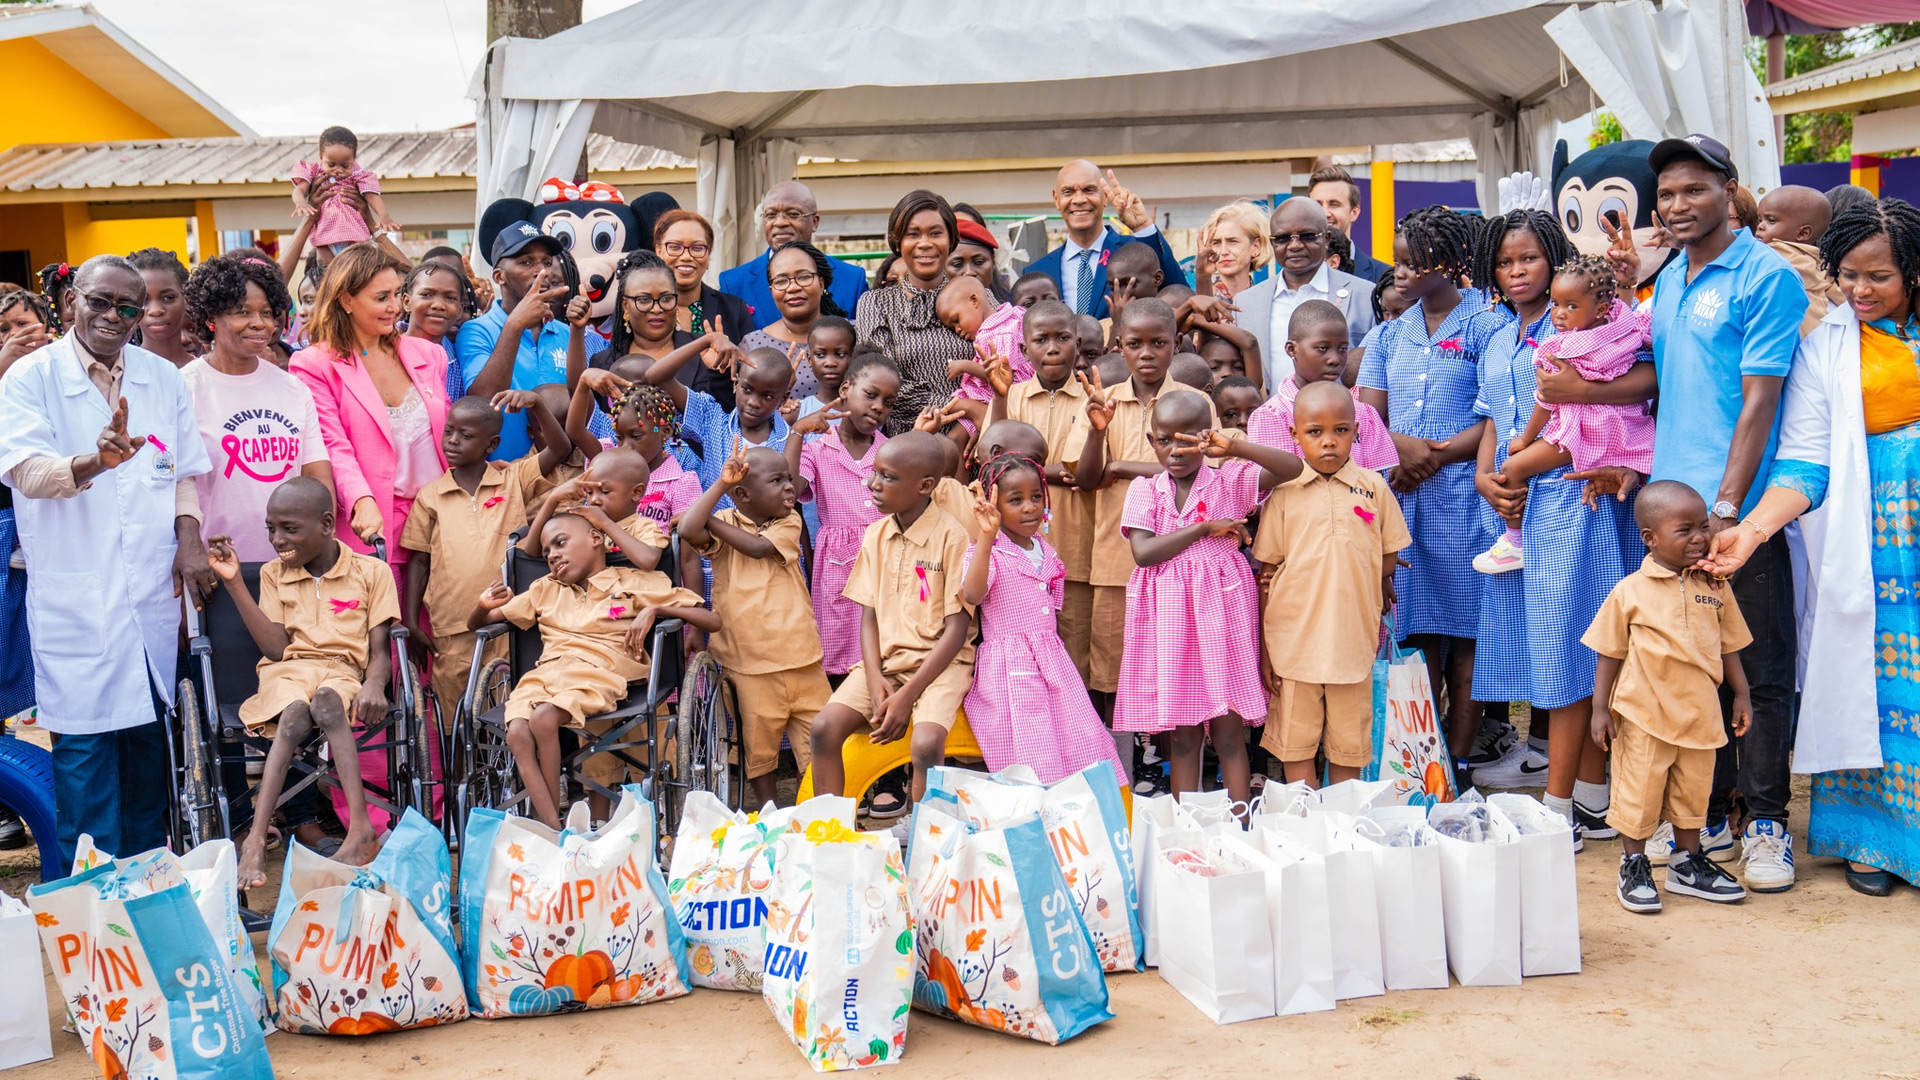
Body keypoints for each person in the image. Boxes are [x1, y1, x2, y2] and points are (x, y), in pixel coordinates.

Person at [1703, 197, 1920, 897]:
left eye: (1878, 277)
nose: (1859, 291)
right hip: (1874, 540)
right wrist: (1752, 529)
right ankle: (1873, 841)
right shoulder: (1826, 347)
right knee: (1881, 684)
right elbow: (1802, 465)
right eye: (1847, 275)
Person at [1608, 134, 1807, 892]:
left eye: (1694, 189)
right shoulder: (1674, 279)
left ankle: (1766, 825)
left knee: (1757, 667)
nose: (1677, 205)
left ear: (1729, 189)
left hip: (1738, 513)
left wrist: (1729, 508)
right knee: (1687, 672)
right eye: (1667, 195)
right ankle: (1710, 818)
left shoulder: (1764, 276)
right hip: (1671, 511)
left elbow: (1759, 400)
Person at [0, 254, 213, 866]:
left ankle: (149, 900)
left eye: (129, 306)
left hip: (148, 599)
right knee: (86, 773)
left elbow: (183, 477)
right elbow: (27, 473)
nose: (114, 316)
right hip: (77, 601)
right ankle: (92, 917)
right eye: (100, 302)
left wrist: (190, 540)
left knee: (149, 772)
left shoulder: (161, 378)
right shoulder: (30, 378)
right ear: (71, 303)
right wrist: (94, 463)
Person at [1466, 209, 1644, 811]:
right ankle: (1594, 798)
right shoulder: (1499, 335)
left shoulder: (1586, 325)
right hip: (1521, 511)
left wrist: (1519, 466)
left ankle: (1560, 806)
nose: (1516, 272)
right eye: (1504, 262)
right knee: (1553, 647)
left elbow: (1588, 425)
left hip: (1574, 496)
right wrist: (1486, 478)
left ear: (1554, 258)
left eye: (1529, 259)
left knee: (1575, 647)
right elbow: (1493, 417)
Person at [1109, 390, 1302, 805]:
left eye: (1188, 439)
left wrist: (1235, 447)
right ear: (1150, 440)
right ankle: (1187, 832)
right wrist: (1202, 529)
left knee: (1231, 735)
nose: (1175, 450)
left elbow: (1291, 466)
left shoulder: (1229, 479)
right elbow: (1143, 553)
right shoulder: (1146, 490)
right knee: (1183, 737)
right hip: (1170, 624)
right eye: (1164, 440)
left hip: (1222, 616)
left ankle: (1240, 829)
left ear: (1206, 438)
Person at [472, 509, 714, 828]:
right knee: (517, 731)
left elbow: (713, 620)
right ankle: (553, 828)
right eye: (547, 553)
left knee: (544, 718)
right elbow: (477, 625)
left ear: (596, 538)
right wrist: (482, 606)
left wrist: (656, 608)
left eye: (560, 543)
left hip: (599, 674)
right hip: (544, 677)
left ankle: (555, 829)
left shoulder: (634, 582)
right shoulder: (545, 588)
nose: (553, 556)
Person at [207, 477, 394, 887]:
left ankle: (361, 830)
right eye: (271, 528)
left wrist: (375, 684)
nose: (276, 539)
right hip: (287, 672)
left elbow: (379, 653)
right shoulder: (275, 575)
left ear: (327, 524)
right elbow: (275, 649)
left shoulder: (372, 571)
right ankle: (255, 840)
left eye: (289, 528)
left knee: (326, 702)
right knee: (294, 714)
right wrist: (235, 582)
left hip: (342, 672)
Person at [1357, 206, 1492, 770]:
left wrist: (1432, 454)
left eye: (1415, 263)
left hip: (1463, 498)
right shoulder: (1389, 335)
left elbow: (1495, 415)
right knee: (1416, 637)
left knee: (1466, 638)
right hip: (1402, 500)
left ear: (1453, 263)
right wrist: (1399, 449)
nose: (1403, 273)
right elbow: (1367, 417)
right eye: (1399, 262)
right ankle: (1419, 758)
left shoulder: (1486, 325)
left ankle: (1459, 760)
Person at [1587, 481, 1753, 912]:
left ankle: (1687, 863)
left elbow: (1729, 644)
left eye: (1703, 526)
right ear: (1651, 538)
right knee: (1638, 793)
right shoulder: (1630, 591)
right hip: (1644, 715)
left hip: (1699, 714)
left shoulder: (1716, 587)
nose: (1700, 537)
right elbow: (1610, 651)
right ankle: (1635, 863)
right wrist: (1599, 708)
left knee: (1691, 794)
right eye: (1685, 530)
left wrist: (1742, 693)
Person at [807, 431, 977, 811]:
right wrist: (873, 677)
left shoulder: (953, 539)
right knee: (823, 729)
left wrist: (907, 696)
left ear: (925, 486)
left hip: (939, 666)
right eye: (875, 473)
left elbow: (956, 631)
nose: (873, 484)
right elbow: (867, 615)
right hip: (884, 663)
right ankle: (832, 835)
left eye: (888, 477)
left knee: (926, 743)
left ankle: (926, 840)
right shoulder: (876, 534)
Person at [1256, 381, 1409, 787]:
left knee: (1348, 748)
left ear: (1357, 432)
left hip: (1351, 645)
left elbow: (1388, 554)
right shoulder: (1284, 494)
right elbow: (1267, 571)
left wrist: (1367, 581)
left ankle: (1342, 827)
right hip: (1294, 645)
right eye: (1315, 432)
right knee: (1296, 746)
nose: (1328, 442)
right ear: (1294, 435)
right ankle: (1305, 829)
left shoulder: (1374, 488)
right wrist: (1267, 653)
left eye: (1340, 430)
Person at [1475, 255, 1654, 576]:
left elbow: (1546, 399)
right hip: (1621, 428)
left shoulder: (1563, 348)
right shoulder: (1620, 327)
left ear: (1599, 309)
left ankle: (1514, 542)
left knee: (1513, 467)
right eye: (1555, 303)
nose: (1558, 314)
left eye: (1571, 306)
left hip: (1582, 429)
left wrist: (1526, 439)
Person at [401, 393, 572, 726]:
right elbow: (419, 562)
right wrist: (410, 620)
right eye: (449, 431)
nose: (452, 441)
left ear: (491, 443)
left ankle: (513, 779)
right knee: (458, 722)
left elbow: (560, 448)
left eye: (466, 436)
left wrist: (536, 404)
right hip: (453, 625)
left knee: (512, 716)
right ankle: (461, 780)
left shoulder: (512, 480)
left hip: (509, 623)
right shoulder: (430, 496)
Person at [961, 452, 1124, 783]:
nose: (1030, 507)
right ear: (994, 505)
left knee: (1079, 736)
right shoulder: (987, 551)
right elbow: (972, 594)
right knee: (1030, 746)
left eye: (1036, 497)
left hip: (1051, 660)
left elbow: (1054, 609)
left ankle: (1079, 815)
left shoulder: (1047, 551)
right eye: (1015, 500)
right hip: (1011, 668)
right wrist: (986, 537)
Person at [292, 244, 453, 577]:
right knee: (382, 625)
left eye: (397, 294)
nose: (395, 307)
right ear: (346, 301)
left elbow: (448, 433)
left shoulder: (428, 354)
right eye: (382, 298)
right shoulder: (314, 365)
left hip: (440, 523)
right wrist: (361, 500)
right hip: (373, 526)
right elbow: (334, 447)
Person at [681, 445, 827, 807]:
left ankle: (818, 807)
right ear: (743, 494)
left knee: (821, 746)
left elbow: (758, 548)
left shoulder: (788, 522)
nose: (790, 488)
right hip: (748, 662)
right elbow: (686, 527)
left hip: (801, 657)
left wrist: (708, 519)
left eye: (789, 479)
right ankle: (768, 809)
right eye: (777, 481)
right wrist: (721, 484)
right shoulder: (728, 520)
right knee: (758, 750)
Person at [181, 253, 332, 563]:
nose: (259, 323)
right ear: (211, 318)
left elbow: (315, 476)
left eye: (266, 312)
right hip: (217, 565)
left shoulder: (293, 389)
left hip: (291, 564)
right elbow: (175, 484)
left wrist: (318, 550)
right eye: (242, 312)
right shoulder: (183, 388)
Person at [983, 299, 1097, 686]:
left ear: (1077, 344)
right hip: (1013, 556)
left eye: (1062, 338)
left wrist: (1033, 469)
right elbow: (991, 463)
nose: (1052, 348)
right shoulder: (1009, 395)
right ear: (1023, 348)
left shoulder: (1092, 398)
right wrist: (998, 397)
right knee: (1025, 655)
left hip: (1077, 546)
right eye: (1041, 339)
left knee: (1075, 652)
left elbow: (1082, 468)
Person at [788, 353, 902, 678]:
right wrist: (797, 433)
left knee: (886, 655)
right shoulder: (818, 448)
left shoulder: (890, 452)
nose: (879, 406)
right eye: (871, 395)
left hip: (885, 563)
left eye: (888, 402)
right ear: (846, 389)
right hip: (839, 568)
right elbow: (790, 491)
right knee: (839, 661)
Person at [458, 220, 603, 460]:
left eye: (546, 262)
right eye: (526, 262)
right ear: (499, 276)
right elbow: (481, 406)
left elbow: (583, 407)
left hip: (566, 477)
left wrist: (578, 330)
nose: (542, 271)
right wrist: (515, 325)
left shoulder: (566, 333)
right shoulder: (476, 331)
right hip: (504, 480)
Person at [854, 190, 974, 435]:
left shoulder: (977, 296)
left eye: (935, 233)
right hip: (907, 445)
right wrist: (966, 407)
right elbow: (881, 384)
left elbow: (1003, 357)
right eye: (913, 234)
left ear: (951, 240)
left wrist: (977, 416)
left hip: (975, 439)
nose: (925, 243)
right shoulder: (875, 303)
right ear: (898, 242)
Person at [1233, 196, 1377, 394]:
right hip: (1271, 423)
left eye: (1307, 236)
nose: (1294, 245)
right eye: (1283, 238)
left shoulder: (1365, 295)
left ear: (1326, 239)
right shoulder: (1246, 303)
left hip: (1343, 421)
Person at [1247, 300, 1398, 473]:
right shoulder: (1273, 415)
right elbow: (1278, 485)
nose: (1335, 359)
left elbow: (1375, 483)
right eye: (1322, 348)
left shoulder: (1362, 413)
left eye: (1342, 349)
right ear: (1292, 349)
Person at [645, 334, 793, 507]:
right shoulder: (712, 420)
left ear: (783, 399)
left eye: (767, 395)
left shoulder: (791, 441)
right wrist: (707, 340)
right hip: (713, 532)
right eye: (747, 389)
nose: (753, 402)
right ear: (735, 384)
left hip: (767, 534)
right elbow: (655, 376)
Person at [1030, 161, 1187, 319]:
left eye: (1089, 190)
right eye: (1068, 192)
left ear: (1105, 196)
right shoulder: (1036, 272)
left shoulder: (1134, 251)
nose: (1078, 200)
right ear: (1056, 199)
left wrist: (1142, 226)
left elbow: (1180, 295)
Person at [718, 180, 869, 329]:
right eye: (771, 215)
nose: (780, 222)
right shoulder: (733, 283)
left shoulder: (853, 280)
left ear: (815, 222)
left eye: (793, 214)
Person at [740, 241, 847, 404]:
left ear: (821, 283)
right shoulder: (753, 345)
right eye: (781, 281)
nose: (792, 288)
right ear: (771, 291)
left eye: (803, 277)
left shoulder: (852, 334)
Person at [935, 274, 1027, 440]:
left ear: (974, 301)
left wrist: (964, 366)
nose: (957, 330)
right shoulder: (1010, 317)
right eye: (952, 327)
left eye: (956, 320)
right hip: (992, 399)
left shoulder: (998, 333)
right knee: (956, 438)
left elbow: (1000, 376)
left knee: (958, 439)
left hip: (1006, 400)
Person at [290, 126, 397, 264]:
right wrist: (300, 202)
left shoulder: (359, 176)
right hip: (325, 234)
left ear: (353, 159)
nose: (338, 170)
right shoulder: (313, 171)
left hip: (353, 233)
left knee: (355, 265)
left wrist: (383, 215)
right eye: (331, 164)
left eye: (345, 165)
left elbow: (372, 197)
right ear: (321, 156)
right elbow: (299, 190)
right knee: (325, 267)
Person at [1751, 184, 1843, 336]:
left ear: (1803, 233)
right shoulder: (1818, 262)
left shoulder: (1771, 255)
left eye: (1771, 220)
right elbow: (1841, 297)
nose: (1760, 226)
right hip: (1817, 342)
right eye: (1760, 219)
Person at [656, 209, 754, 339]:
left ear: (708, 255)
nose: (686, 256)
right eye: (675, 247)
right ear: (658, 250)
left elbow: (749, 358)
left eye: (697, 248)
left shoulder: (734, 310)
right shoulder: (640, 309)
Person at [403, 259, 478, 398]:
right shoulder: (384, 348)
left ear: (460, 310)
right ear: (407, 302)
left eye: (450, 297)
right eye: (426, 295)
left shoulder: (461, 361)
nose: (438, 305)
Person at [1309, 165, 1391, 283]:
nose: (1324, 213)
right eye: (1317, 204)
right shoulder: (1293, 277)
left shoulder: (1383, 277)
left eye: (1334, 204)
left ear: (1354, 212)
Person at [1194, 200, 1271, 306]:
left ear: (1256, 247)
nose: (1224, 251)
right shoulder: (1193, 302)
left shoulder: (1269, 302)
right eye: (1216, 243)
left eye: (1232, 241)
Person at [128, 248, 192, 367]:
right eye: (143, 300)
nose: (156, 311)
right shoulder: (120, 373)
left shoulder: (208, 374)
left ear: (186, 298)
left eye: (168, 298)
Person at [948, 217, 1008, 301]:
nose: (969, 272)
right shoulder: (927, 312)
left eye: (979, 262)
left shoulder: (1014, 310)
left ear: (993, 262)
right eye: (957, 264)